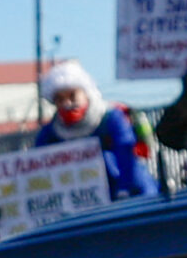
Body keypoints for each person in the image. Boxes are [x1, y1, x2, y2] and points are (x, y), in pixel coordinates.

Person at [32, 59, 153, 200]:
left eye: (72, 96)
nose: (67, 103)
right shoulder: (51, 132)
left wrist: (124, 188)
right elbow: (38, 164)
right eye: (60, 99)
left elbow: (126, 155)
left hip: (128, 194)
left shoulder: (109, 118)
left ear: (86, 93)